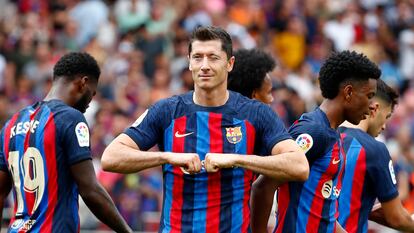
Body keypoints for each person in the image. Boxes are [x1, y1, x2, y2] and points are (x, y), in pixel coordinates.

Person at [101, 26, 309, 232]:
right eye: (198, 57)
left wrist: (237, 159)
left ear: (230, 64)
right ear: (189, 62)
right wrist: (168, 157)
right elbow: (110, 158)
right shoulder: (167, 111)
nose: (205, 65)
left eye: (213, 57)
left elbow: (299, 166)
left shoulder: (256, 113)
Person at [0, 52, 132, 233]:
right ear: (83, 82)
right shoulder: (69, 118)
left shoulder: (11, 124)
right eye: (92, 94)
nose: (88, 103)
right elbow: (90, 190)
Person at [251, 50, 381, 233]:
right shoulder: (312, 131)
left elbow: (323, 213)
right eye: (369, 96)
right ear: (349, 92)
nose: (371, 106)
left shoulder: (332, 134)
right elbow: (263, 186)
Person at [338, 79, 414, 232]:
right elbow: (396, 218)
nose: (385, 126)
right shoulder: (375, 150)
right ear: (375, 109)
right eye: (386, 117)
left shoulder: (326, 135)